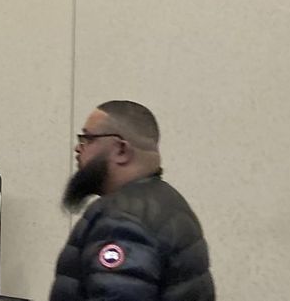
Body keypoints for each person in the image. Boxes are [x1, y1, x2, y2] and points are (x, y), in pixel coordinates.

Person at [49, 100, 214, 301]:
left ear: (121, 150)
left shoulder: (120, 221)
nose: (78, 148)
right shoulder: (170, 202)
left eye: (87, 139)